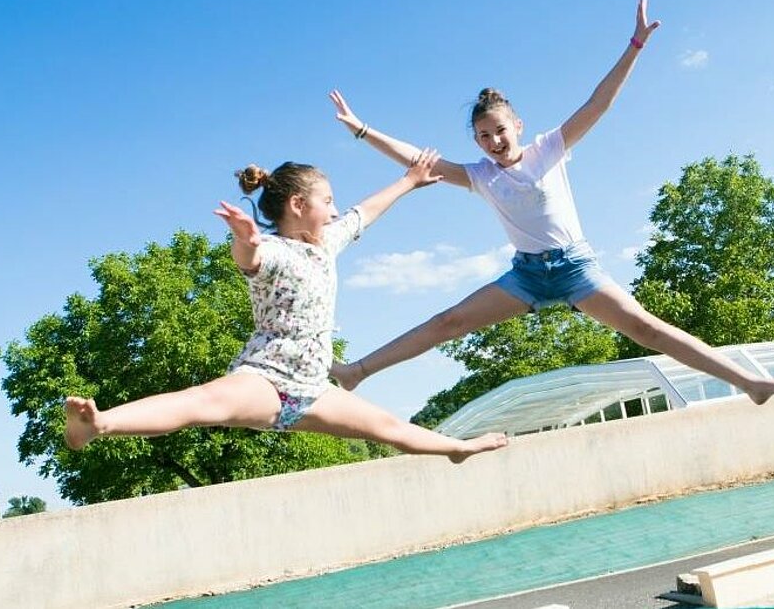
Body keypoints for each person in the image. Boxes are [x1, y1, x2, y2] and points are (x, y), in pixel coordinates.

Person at [328, 0, 774, 405]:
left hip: (575, 267)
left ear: (517, 125)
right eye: (483, 136)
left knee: (647, 330)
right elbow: (418, 159)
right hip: (526, 276)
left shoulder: (549, 149)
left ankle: (751, 383)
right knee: (447, 322)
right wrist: (362, 130)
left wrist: (635, 45)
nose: (494, 142)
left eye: (500, 131)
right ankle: (356, 372)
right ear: (476, 141)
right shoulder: (480, 176)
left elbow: (598, 103)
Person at [64, 153, 508, 462]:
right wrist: (245, 239)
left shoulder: (325, 243)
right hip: (267, 380)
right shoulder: (274, 250)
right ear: (298, 205)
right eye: (327, 201)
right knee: (201, 402)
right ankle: (100, 424)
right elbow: (250, 260)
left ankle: (457, 449)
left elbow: (364, 212)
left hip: (314, 390)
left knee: (388, 427)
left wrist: (409, 181)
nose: (334, 210)